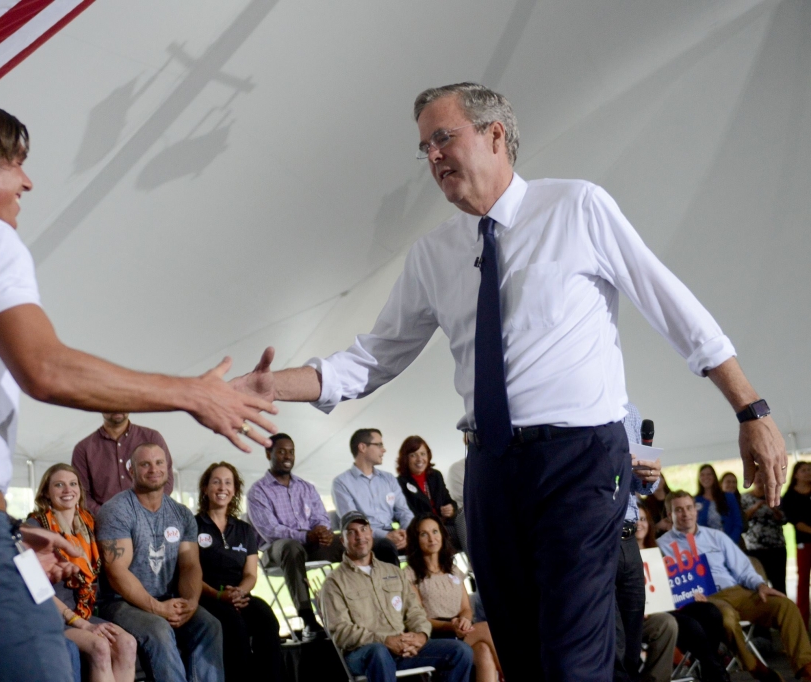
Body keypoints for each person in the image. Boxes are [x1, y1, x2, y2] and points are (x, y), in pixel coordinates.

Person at [229, 81, 788, 681]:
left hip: (581, 462)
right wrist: (269, 387)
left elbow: (671, 305)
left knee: (575, 660)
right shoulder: (433, 255)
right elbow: (370, 358)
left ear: (496, 135)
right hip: (491, 469)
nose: (434, 156)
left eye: (444, 137)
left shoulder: (577, 207)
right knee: (522, 653)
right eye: (425, 148)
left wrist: (750, 410)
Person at [0, 91, 275, 682]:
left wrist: (7, 531)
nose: (28, 182)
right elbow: (45, 368)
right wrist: (192, 392)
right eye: (16, 162)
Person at [95, 443, 223, 682]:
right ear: (131, 471)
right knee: (159, 629)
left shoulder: (182, 514)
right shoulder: (116, 510)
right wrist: (157, 608)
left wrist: (191, 603)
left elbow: (190, 565)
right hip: (120, 603)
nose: (153, 469)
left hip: (166, 598)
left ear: (168, 468)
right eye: (145, 464)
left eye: (159, 463)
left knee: (210, 625)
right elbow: (116, 571)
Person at [660, 490, 811, 682]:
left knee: (785, 605)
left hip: (736, 592)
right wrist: (685, 597)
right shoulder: (661, 546)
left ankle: (805, 668)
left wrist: (760, 585)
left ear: (696, 510)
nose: (686, 513)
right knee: (726, 618)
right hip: (704, 601)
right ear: (668, 515)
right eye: (678, 510)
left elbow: (743, 568)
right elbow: (664, 586)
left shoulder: (717, 537)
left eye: (689, 508)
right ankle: (754, 666)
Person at [320, 511, 473, 682]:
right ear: (343, 540)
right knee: (378, 652)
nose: (360, 536)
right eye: (352, 532)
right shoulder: (334, 583)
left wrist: (420, 636)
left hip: (403, 646)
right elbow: (341, 632)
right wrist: (385, 641)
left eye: (364, 529)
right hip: (364, 652)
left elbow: (415, 612)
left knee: (460, 651)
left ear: (371, 533)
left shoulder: (393, 572)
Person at [25, 463, 137, 682]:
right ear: (46, 492)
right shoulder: (33, 527)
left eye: (73, 484)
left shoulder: (89, 524)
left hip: (84, 613)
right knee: (100, 646)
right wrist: (81, 623)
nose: (68, 490)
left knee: (127, 643)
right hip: (52, 615)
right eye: (59, 485)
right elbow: (36, 587)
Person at [194, 462, 283, 682]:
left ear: (234, 490)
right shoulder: (194, 525)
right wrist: (218, 595)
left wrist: (240, 593)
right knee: (234, 626)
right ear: (205, 488)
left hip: (240, 596)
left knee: (267, 619)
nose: (222, 487)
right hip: (208, 596)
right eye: (216, 482)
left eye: (227, 482)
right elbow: (190, 573)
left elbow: (251, 574)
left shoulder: (244, 529)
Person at [247, 433, 341, 637]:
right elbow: (271, 531)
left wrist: (323, 531)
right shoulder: (258, 492)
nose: (287, 456)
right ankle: (308, 619)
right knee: (290, 546)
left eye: (291, 451)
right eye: (281, 451)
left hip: (311, 545)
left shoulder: (306, 487)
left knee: (351, 541)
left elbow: (321, 517)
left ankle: (354, 610)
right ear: (268, 453)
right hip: (276, 551)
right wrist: (307, 536)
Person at [636, 505, 730, 682]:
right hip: (647, 614)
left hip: (669, 605)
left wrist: (691, 593)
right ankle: (714, 670)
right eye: (634, 519)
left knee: (710, 611)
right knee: (690, 625)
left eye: (642, 519)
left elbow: (673, 585)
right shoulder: (620, 554)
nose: (639, 524)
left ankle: (709, 668)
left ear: (648, 523)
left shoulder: (658, 550)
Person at [404, 513, 500, 682]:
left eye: (435, 532)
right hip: (435, 634)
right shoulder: (409, 573)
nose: (431, 538)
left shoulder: (453, 570)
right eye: (424, 534)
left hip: (461, 629)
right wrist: (451, 626)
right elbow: (419, 618)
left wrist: (464, 620)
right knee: (485, 628)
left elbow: (466, 609)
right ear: (416, 539)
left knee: (484, 651)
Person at [614, 402, 661, 682]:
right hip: (599, 538)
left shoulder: (630, 411)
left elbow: (646, 484)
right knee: (613, 639)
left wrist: (651, 475)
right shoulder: (580, 408)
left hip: (630, 540)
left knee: (632, 639)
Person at [331, 429, 414, 566]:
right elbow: (353, 522)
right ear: (362, 447)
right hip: (365, 538)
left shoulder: (388, 479)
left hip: (393, 534)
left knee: (429, 540)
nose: (384, 450)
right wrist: (385, 536)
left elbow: (404, 511)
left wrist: (405, 533)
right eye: (379, 445)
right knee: (385, 546)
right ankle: (395, 587)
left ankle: (433, 586)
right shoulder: (342, 482)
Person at [72, 413, 173, 514]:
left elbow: (166, 479)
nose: (117, 408)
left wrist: (148, 511)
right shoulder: (84, 448)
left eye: (121, 402)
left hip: (152, 518)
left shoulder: (151, 437)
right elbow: (82, 493)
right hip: (105, 524)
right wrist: (107, 514)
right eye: (110, 403)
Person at [395, 437, 460, 550]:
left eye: (423, 454)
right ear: (406, 459)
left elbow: (448, 500)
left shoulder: (435, 476)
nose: (420, 459)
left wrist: (451, 508)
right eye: (413, 455)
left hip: (446, 525)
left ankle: (476, 562)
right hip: (424, 530)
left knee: (464, 517)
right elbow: (408, 514)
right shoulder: (400, 483)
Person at [742, 479, 787, 592]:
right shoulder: (744, 498)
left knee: (779, 583)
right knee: (759, 583)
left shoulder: (776, 496)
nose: (759, 481)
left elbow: (784, 519)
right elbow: (742, 520)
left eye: (762, 478)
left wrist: (773, 509)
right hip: (754, 547)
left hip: (776, 546)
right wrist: (755, 507)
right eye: (756, 479)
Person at [783, 461, 811, 626]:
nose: (808, 472)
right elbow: (796, 521)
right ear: (796, 474)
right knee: (803, 582)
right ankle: (803, 622)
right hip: (804, 543)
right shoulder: (790, 496)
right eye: (804, 470)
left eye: (809, 470)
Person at [694, 464, 743, 545]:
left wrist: (730, 543)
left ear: (714, 477)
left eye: (709, 474)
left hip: (730, 543)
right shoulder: (695, 500)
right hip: (707, 546)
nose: (706, 477)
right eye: (702, 475)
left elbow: (738, 523)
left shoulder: (728, 497)